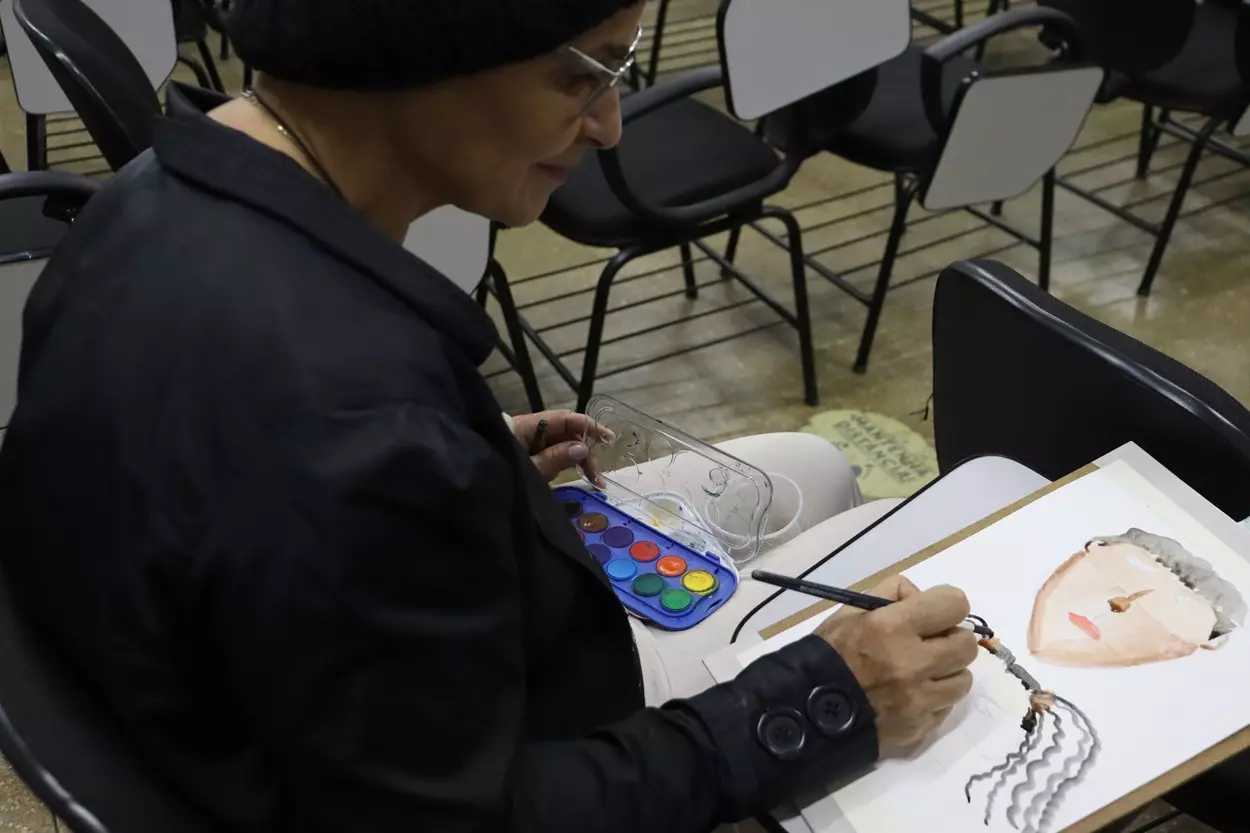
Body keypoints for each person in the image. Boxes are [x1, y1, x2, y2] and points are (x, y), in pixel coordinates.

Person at [0, 2, 979, 832]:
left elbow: (229, 466)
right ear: (422, 44)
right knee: (905, 578)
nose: (609, 126)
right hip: (467, 749)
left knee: (815, 466)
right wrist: (825, 699)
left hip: (272, 676)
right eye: (584, 75)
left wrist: (474, 448)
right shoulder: (360, 439)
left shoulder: (138, 202)